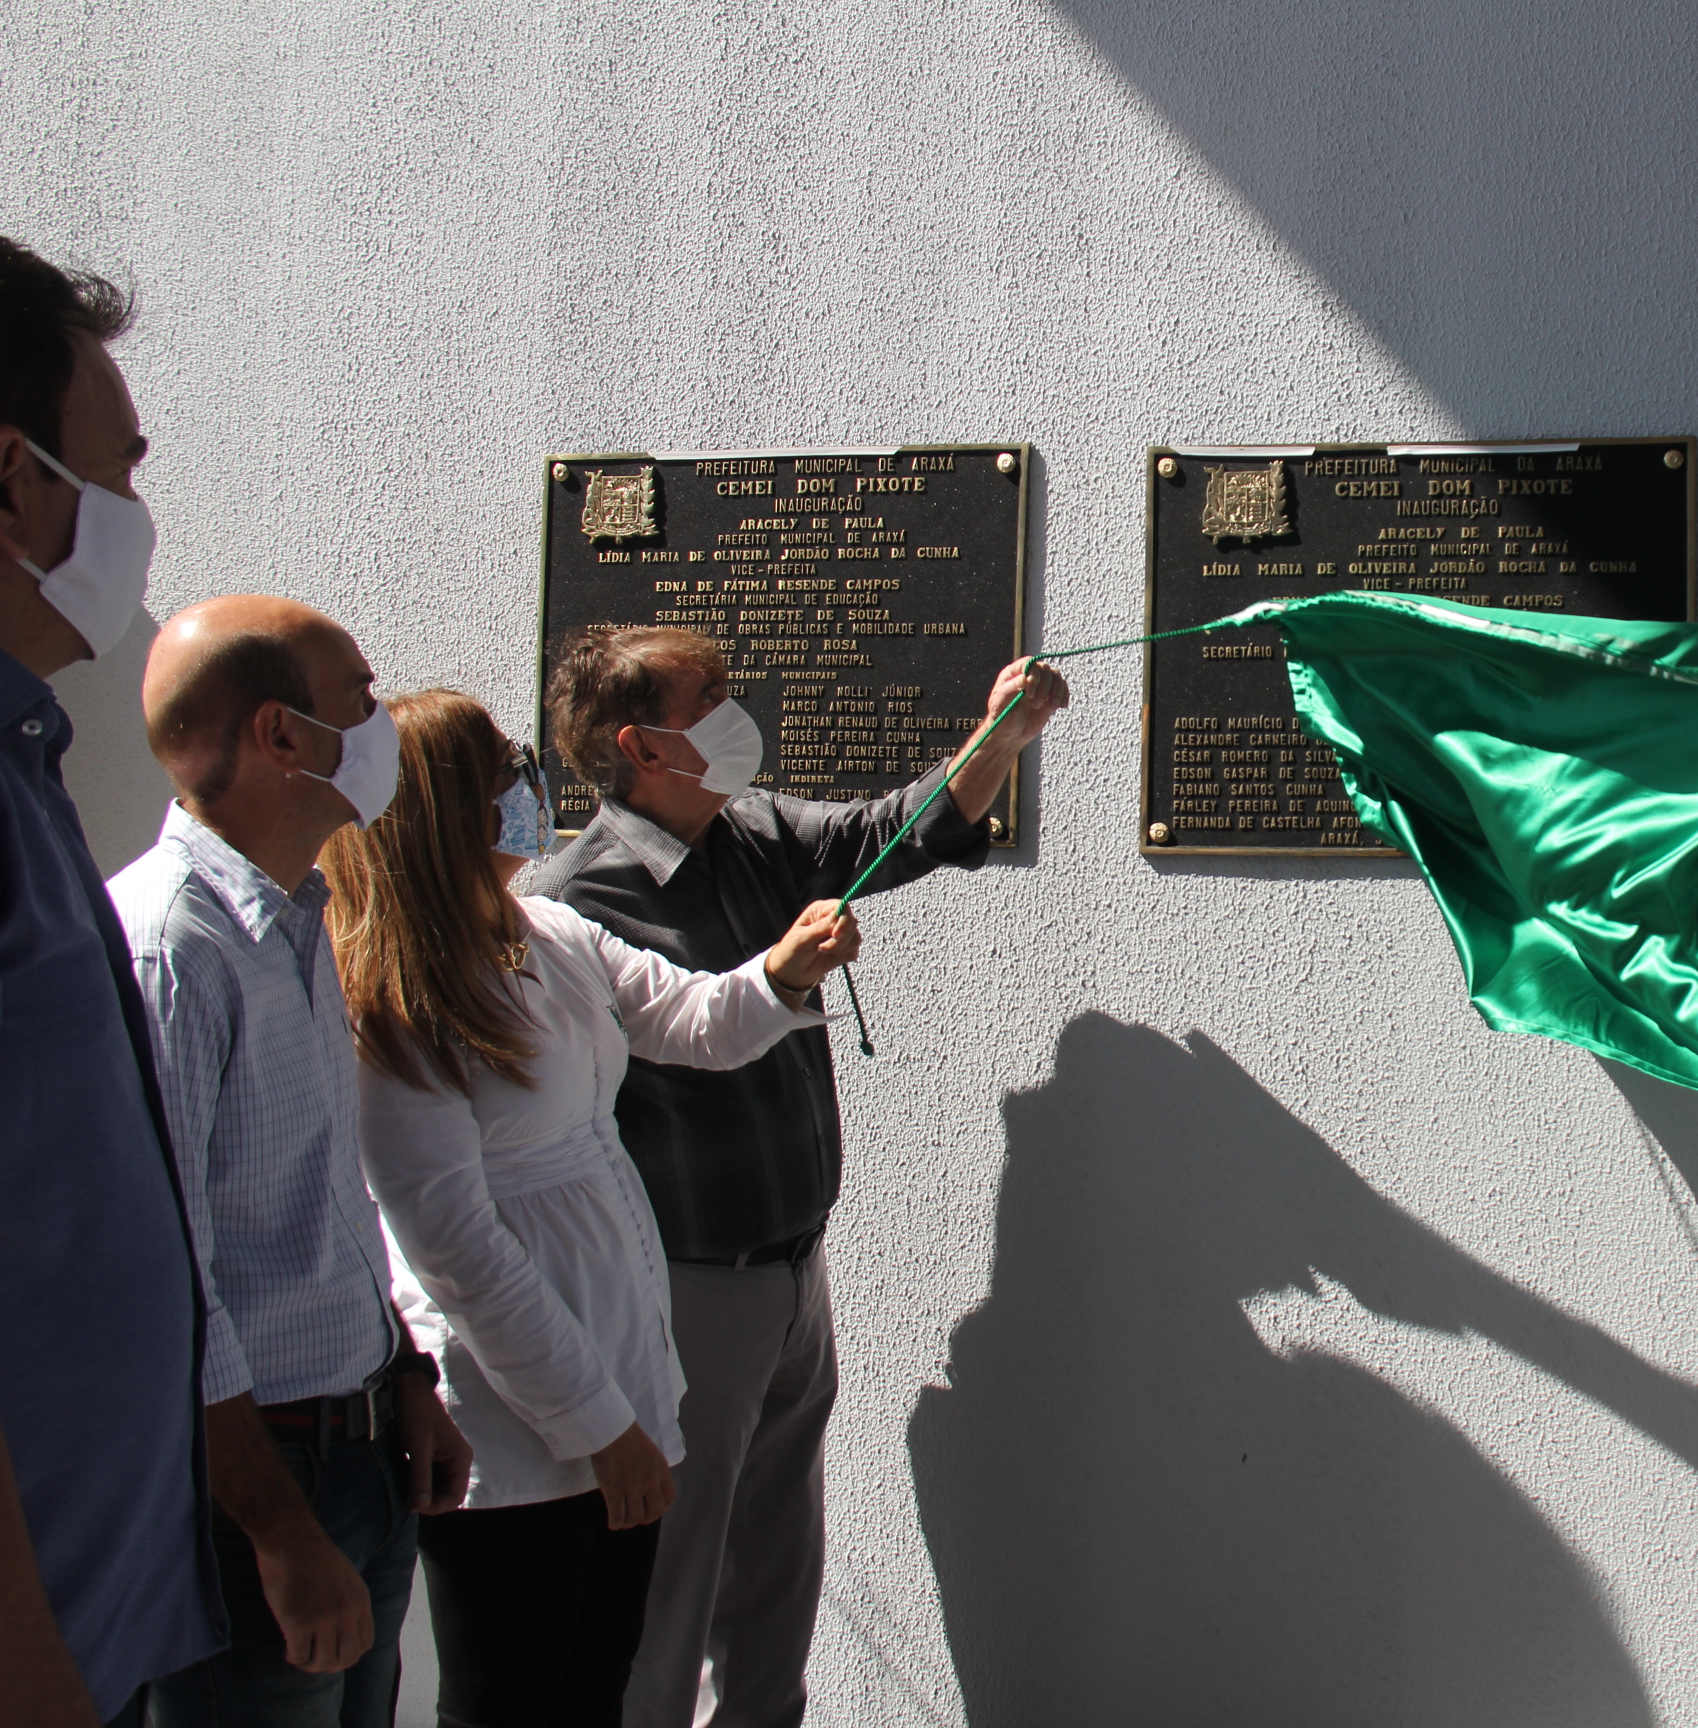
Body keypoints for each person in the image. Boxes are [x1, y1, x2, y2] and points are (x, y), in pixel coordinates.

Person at [531, 626, 1063, 1726]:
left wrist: (1001, 737)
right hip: (679, 1285)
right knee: (673, 1579)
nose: (737, 711)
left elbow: (892, 831)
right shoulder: (573, 904)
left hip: (789, 1268)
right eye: (708, 698)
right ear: (641, 744)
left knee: (776, 1568)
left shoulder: (753, 831)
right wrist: (769, 974)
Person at [322, 689, 863, 1727]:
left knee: (597, 1683)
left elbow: (693, 1019)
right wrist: (598, 1425)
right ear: (443, 809)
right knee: (514, 1694)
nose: (530, 788)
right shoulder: (396, 1001)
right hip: (518, 1419)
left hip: (623, 1387)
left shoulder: (549, 932)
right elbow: (459, 1253)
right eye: (505, 772)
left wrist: (787, 970)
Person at [112, 595, 474, 1726]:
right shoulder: (175, 949)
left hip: (355, 1453)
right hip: (260, 1490)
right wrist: (276, 1528)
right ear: (280, 737)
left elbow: (318, 1197)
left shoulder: (295, 912)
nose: (382, 726)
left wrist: (404, 1374)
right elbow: (165, 1284)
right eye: (359, 701)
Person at [0, 237, 223, 1726]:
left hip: (105, 1619)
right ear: (12, 479)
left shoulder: (28, 760)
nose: (135, 516)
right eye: (117, 467)